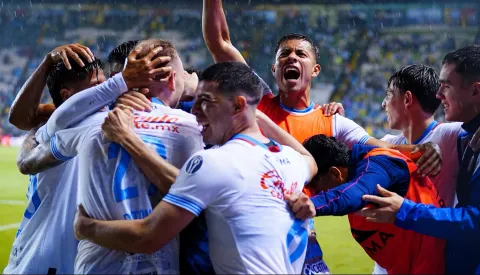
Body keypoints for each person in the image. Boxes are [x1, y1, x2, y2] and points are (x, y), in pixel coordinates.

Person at [201, 1, 442, 273]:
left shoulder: (333, 122)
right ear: (273, 69)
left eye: (301, 54)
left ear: (315, 70)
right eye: (284, 54)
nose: (291, 57)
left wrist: (425, 148)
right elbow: (220, 43)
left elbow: (384, 147)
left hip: (301, 232)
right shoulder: (258, 101)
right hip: (251, 228)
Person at [74, 61, 317, 274]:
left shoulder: (214, 163)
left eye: (205, 102)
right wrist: (252, 115)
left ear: (237, 106)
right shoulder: (287, 160)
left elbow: (147, 237)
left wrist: (87, 227)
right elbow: (309, 159)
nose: (195, 111)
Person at [16, 39, 195, 274]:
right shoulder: (72, 118)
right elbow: (22, 121)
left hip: (85, 254)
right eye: (101, 84)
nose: (108, 88)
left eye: (110, 81)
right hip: (44, 255)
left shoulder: (105, 116)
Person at [358, 45, 480, 275]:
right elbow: (352, 148)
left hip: (434, 262)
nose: (439, 96)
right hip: (390, 263)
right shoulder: (388, 143)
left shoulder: (452, 135)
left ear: (407, 98)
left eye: (446, 86)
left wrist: (405, 211)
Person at [4, 44, 103, 274]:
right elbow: (19, 117)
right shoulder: (62, 123)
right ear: (68, 96)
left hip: (36, 252)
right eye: (96, 87)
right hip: (45, 257)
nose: (105, 92)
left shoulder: (91, 116)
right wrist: (47, 62)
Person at [303, 134, 445, 274]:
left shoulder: (379, 164)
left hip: (435, 266)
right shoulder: (354, 176)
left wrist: (305, 205)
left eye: (313, 186)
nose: (314, 192)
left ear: (335, 173)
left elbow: (355, 194)